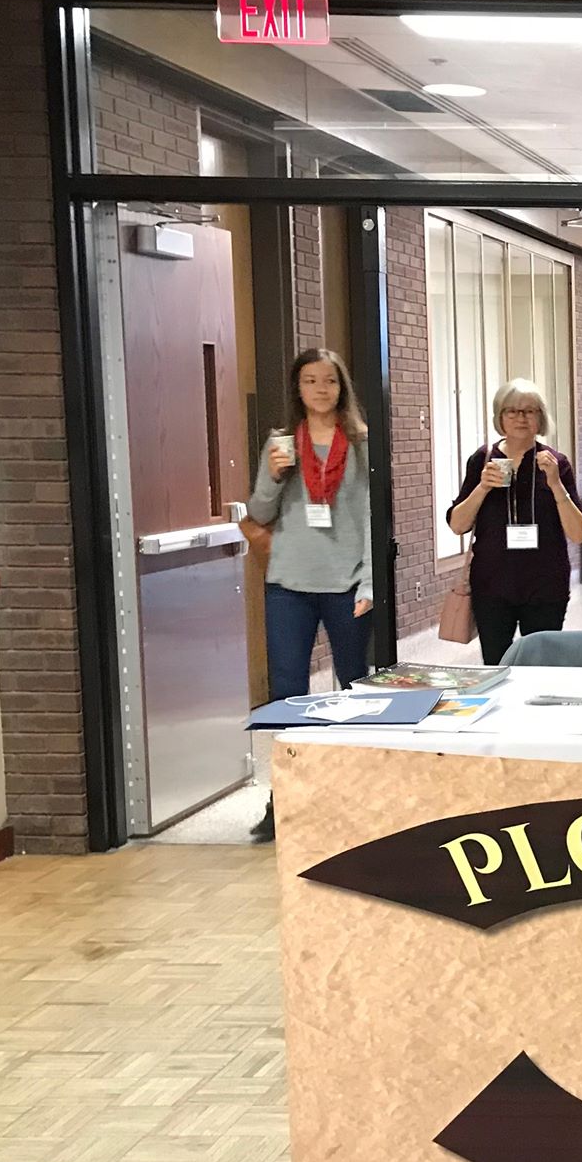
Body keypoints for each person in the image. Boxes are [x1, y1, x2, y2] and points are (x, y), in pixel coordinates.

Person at [246, 347, 376, 842]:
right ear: (297, 389)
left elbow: (368, 514)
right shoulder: (281, 443)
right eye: (310, 381)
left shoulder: (361, 443)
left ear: (341, 388)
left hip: (345, 583)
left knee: (354, 689)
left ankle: (353, 794)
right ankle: (286, 801)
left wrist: (368, 580)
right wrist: (275, 476)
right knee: (288, 694)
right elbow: (260, 510)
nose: (321, 390)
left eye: (329, 381)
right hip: (288, 583)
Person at [445, 379, 582, 665]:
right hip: (492, 585)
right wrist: (482, 487)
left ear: (540, 417)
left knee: (542, 668)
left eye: (529, 411)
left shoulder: (556, 462)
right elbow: (458, 525)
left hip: (545, 586)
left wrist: (556, 485)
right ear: (500, 417)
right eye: (512, 411)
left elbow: (579, 533)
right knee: (496, 668)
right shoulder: (483, 459)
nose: (520, 418)